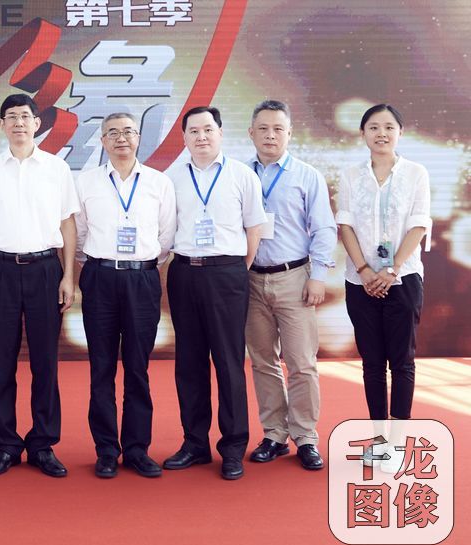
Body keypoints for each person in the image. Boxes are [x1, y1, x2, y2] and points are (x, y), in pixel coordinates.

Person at [0, 94, 80, 478]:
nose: (18, 123)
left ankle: (43, 444)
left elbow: (67, 225)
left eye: (25, 116)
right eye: (11, 117)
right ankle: (5, 446)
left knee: (45, 362)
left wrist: (68, 276)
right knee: (1, 362)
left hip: (46, 269)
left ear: (37, 123)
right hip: (0, 270)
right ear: (2, 125)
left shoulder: (56, 168)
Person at [164, 106, 267, 481]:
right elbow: (165, 228)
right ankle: (194, 443)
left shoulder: (241, 175)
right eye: (193, 131)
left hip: (227, 274)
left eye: (208, 129)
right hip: (184, 272)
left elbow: (254, 228)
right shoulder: (171, 178)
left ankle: (234, 446)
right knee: (189, 363)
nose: (201, 136)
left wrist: (236, 267)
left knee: (228, 361)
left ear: (221, 132)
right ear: (184, 138)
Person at [75, 112, 176, 479]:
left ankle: (136, 449)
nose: (121, 138)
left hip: (142, 280)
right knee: (101, 367)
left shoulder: (159, 183)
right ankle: (106, 450)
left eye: (128, 132)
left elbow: (166, 236)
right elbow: (79, 234)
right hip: (99, 277)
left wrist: (140, 263)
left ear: (138, 138)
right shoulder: (85, 182)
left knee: (137, 367)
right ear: (103, 141)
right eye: (113, 133)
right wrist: (104, 261)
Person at [337, 104, 431, 473]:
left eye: (389, 127)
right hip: (359, 281)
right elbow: (345, 225)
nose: (381, 133)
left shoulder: (416, 173)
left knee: (402, 361)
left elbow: (419, 225)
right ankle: (379, 443)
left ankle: (398, 443)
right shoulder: (350, 175)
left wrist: (391, 269)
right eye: (373, 127)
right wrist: (364, 270)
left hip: (403, 279)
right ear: (362, 134)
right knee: (372, 363)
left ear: (400, 133)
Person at [244, 100, 336, 471]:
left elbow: (324, 227)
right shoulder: (239, 175)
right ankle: (274, 435)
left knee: (301, 363)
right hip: (250, 279)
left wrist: (318, 275)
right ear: (251, 133)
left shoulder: (307, 175)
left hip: (294, 277)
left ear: (289, 133)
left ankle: (306, 437)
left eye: (278, 129)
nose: (270, 135)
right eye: (263, 128)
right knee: (263, 362)